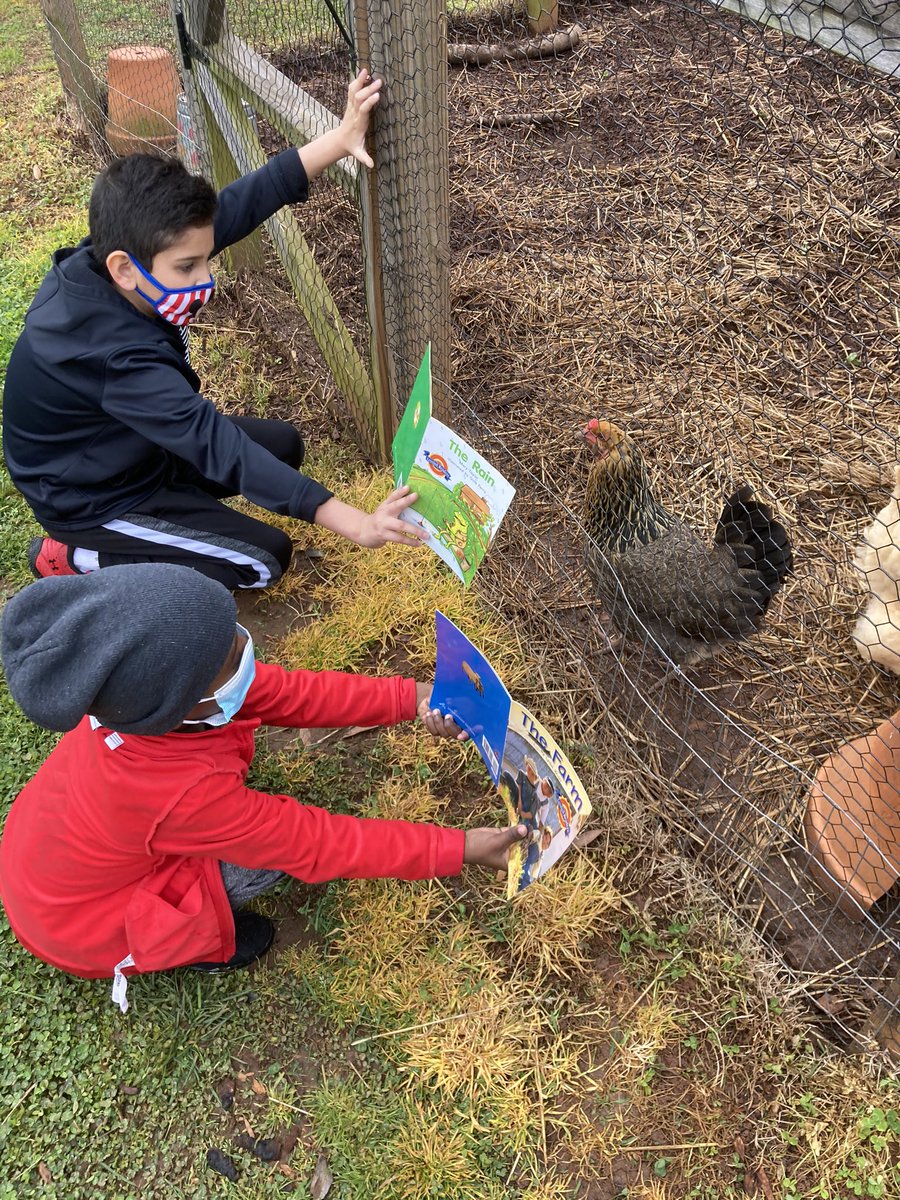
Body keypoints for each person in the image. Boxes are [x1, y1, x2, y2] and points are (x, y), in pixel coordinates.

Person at [0, 564, 526, 1010]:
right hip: (81, 922)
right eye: (231, 659)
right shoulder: (183, 796)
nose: (245, 654)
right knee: (263, 861)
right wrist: (461, 848)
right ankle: (196, 945)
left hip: (47, 860)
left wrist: (412, 697)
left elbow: (294, 694)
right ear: (181, 705)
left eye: (233, 634)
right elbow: (316, 844)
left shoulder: (145, 704)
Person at [2, 69, 427, 591]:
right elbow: (213, 442)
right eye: (188, 268)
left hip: (134, 446)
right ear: (124, 267)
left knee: (283, 447)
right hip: (93, 496)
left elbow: (246, 202)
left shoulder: (127, 262)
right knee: (264, 559)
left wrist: (340, 139)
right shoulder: (114, 358)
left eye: (203, 260)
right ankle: (75, 555)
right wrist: (357, 523)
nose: (205, 279)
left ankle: (174, 520)